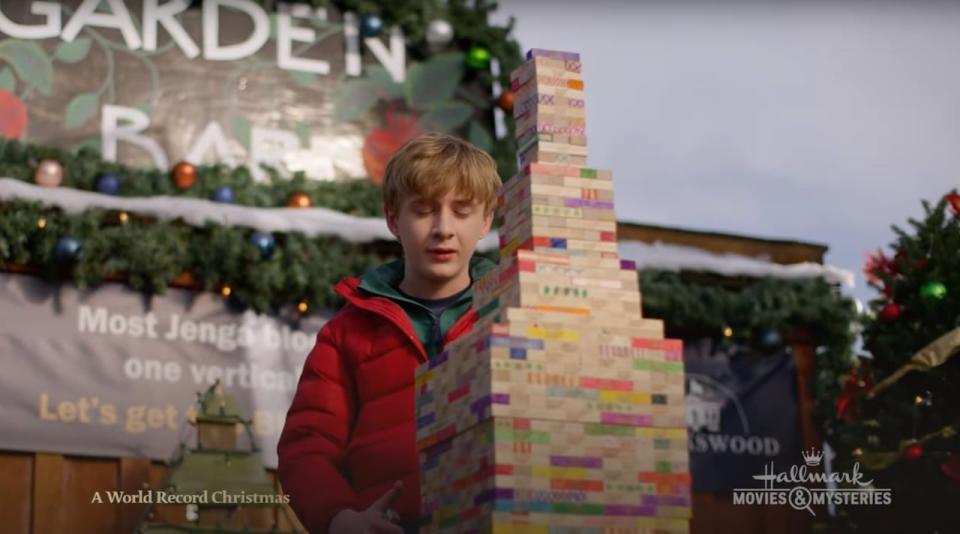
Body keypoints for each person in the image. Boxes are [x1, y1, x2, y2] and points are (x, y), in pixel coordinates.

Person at [277, 133, 500, 533]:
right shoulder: (346, 333)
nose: (443, 228)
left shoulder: (510, 316)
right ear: (394, 219)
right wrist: (339, 518)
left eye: (462, 211)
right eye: (423, 210)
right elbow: (307, 447)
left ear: (486, 220)